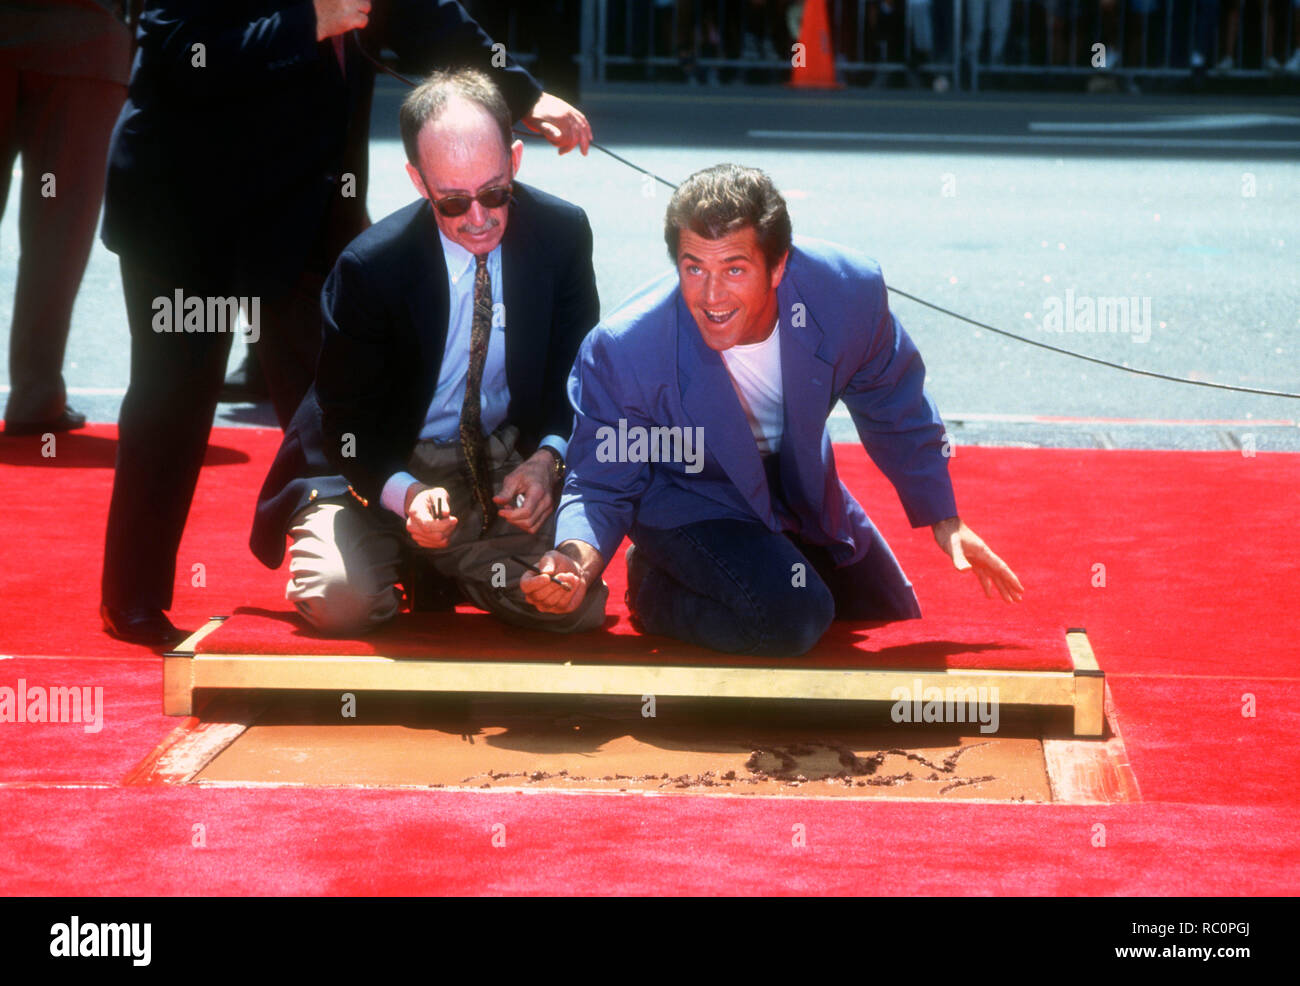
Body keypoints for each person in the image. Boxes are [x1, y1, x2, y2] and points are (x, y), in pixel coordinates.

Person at [99, 0, 593, 646]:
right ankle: (132, 595)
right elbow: (177, 48)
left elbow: (429, 19)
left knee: (340, 406)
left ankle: (403, 553)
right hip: (186, 203)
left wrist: (527, 96)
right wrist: (308, 21)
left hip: (307, 204)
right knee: (173, 397)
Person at [522, 163, 1023, 658]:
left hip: (794, 488)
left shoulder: (845, 293)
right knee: (793, 617)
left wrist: (944, 518)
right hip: (688, 499)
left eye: (734, 269)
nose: (711, 295)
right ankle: (653, 587)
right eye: (694, 267)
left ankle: (759, 560)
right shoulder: (624, 347)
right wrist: (575, 564)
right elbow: (601, 481)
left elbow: (895, 400)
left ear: (778, 266)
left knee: (875, 609)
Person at [249, 68, 607, 637]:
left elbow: (580, 377)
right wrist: (407, 494)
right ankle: (422, 553)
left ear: (516, 160)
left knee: (572, 602)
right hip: (369, 469)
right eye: (453, 202)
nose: (479, 217)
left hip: (493, 463)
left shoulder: (561, 235)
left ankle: (442, 563)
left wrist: (548, 459)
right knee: (343, 604)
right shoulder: (372, 267)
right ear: (418, 182)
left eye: (495, 193)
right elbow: (347, 428)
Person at [0, 0, 131, 435]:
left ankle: (37, 392)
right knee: (59, 231)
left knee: (60, 229)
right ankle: (35, 393)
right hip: (83, 41)